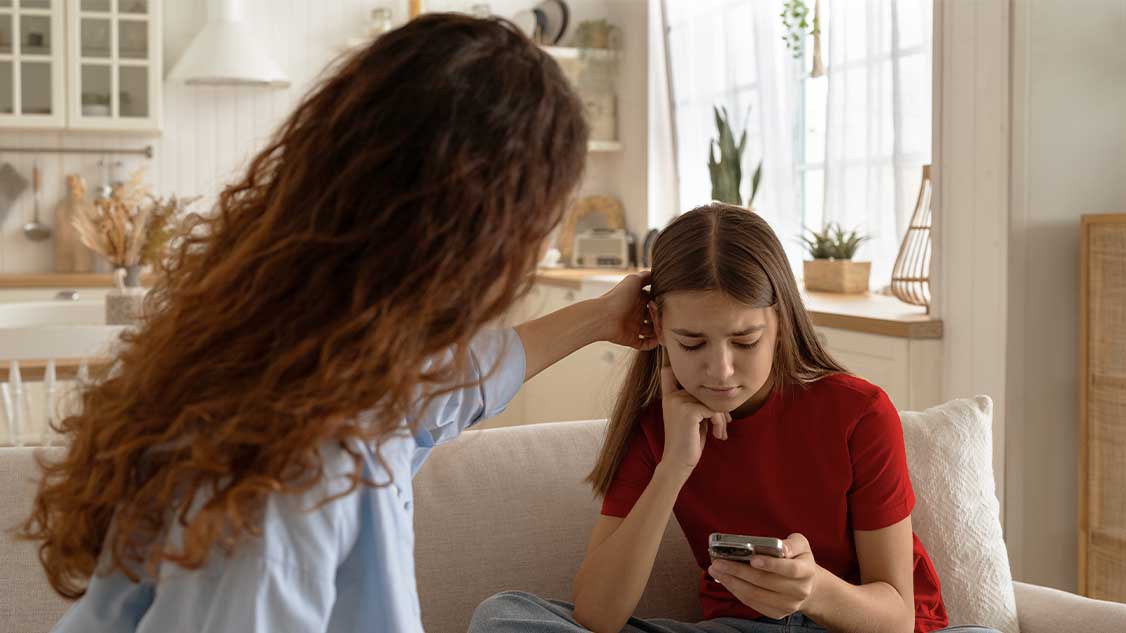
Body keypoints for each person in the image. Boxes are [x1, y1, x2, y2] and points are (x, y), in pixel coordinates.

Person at [21, 14, 656, 633]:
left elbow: (446, 389)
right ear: (480, 238)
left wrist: (601, 317)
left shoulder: (300, 354)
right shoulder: (298, 473)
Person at [471, 204, 999, 633]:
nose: (719, 370)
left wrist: (811, 587)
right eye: (692, 342)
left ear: (780, 320)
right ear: (656, 325)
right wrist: (674, 465)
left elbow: (896, 616)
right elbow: (596, 615)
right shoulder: (656, 428)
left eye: (745, 341)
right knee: (504, 618)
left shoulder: (858, 412)